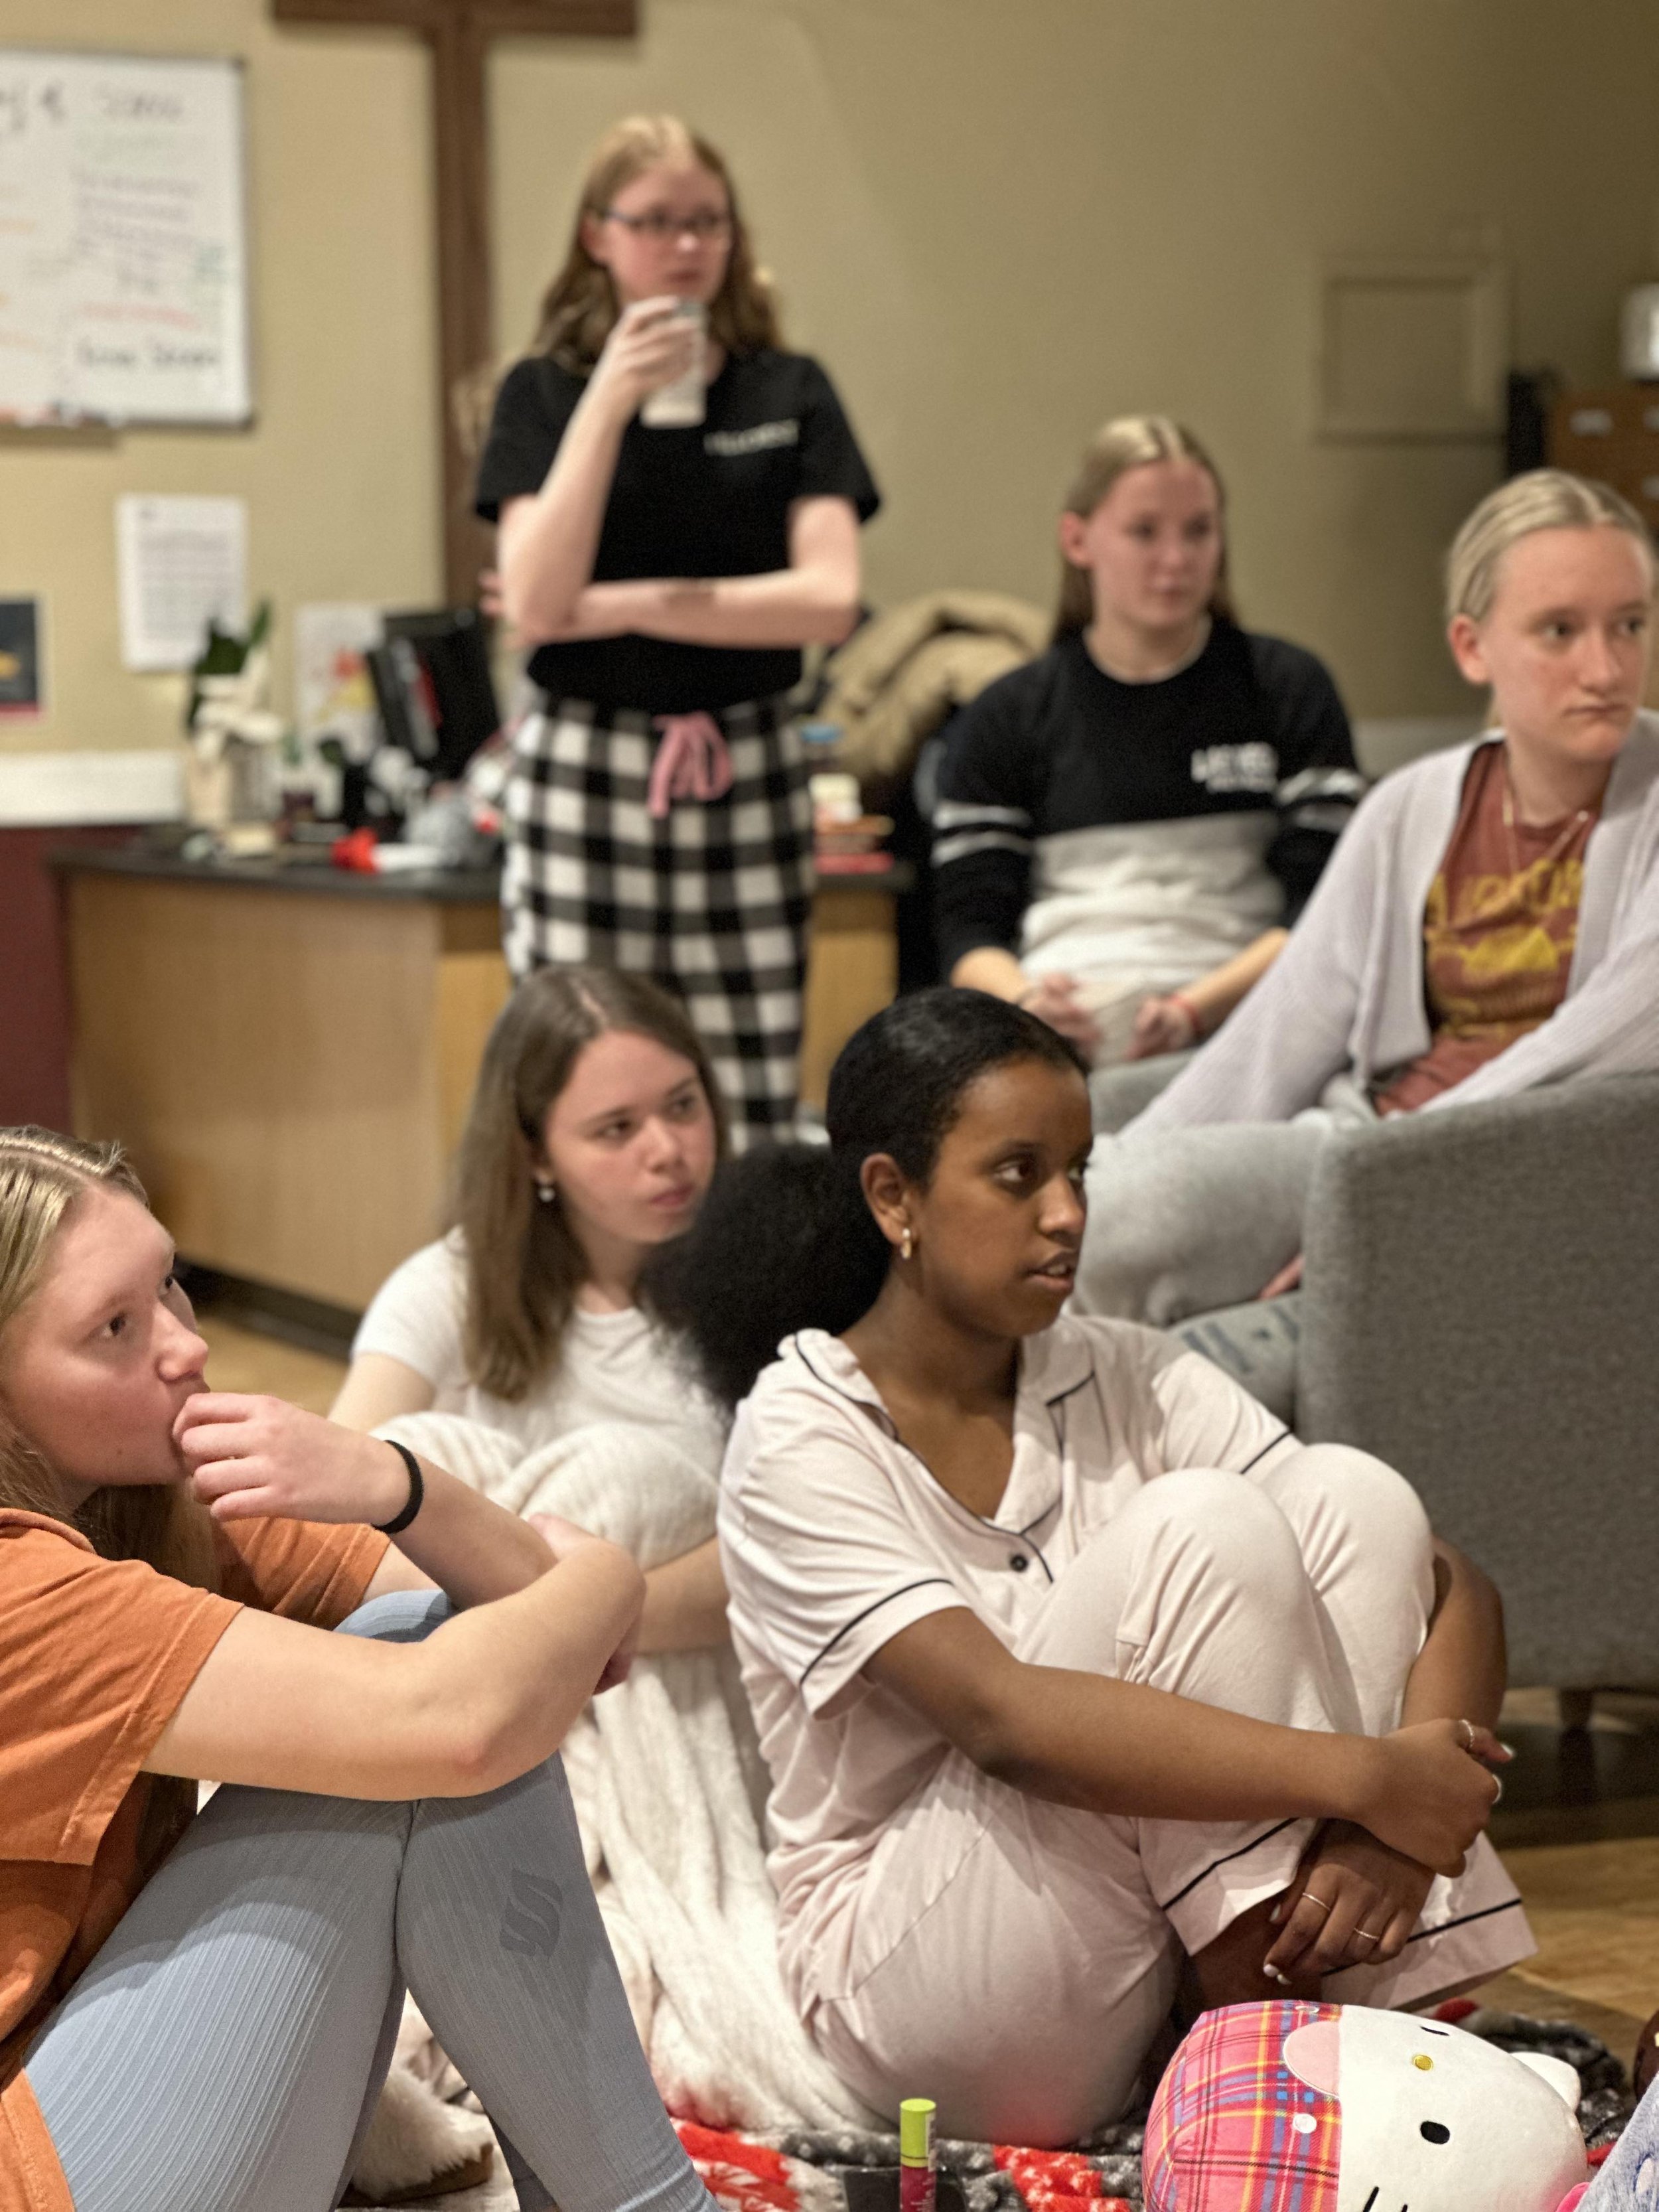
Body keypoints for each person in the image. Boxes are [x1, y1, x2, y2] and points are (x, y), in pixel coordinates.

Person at [646, 989, 1531, 2148]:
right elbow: (1003, 1720)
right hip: (921, 1983)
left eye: (1079, 1171)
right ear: (893, 1196)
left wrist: (1396, 1831)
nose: (1066, 1213)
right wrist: (1367, 1778)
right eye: (1019, 1175)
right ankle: (1284, 2077)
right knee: (1202, 1527)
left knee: (1353, 1495)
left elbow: (1449, 1578)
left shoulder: (1125, 1368)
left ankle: (1286, 2034)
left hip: (1137, 1958)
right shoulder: (802, 1427)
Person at [0, 1126, 719, 2212]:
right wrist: (611, 1573)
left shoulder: (150, 1499)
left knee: (434, 1639)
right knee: (424, 1686)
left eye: (171, 1286)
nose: (185, 1345)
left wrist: (394, 1478)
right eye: (115, 1327)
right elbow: (466, 1716)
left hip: (84, 2098)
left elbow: (521, 1616)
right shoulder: (21, 1590)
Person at [1072, 467, 1659, 1333]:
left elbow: (1604, 1045)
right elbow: (1281, 1033)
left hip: (1517, 1177)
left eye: (1630, 625)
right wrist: (1102, 1171)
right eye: (1559, 631)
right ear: (1473, 648)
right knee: (1087, 1212)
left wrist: (1389, 1187)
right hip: (1360, 1147)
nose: (1604, 668)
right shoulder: (1409, 808)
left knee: (1119, 1228)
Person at [476, 113, 881, 1145]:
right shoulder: (542, 392)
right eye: (656, 222)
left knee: (745, 1072)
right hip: (587, 758)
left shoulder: (788, 389)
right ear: (597, 235)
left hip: (744, 752)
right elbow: (536, 599)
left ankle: (737, 1253)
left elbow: (828, 598)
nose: (687, 245)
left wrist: (625, 604)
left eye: (709, 220)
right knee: (576, 1065)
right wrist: (610, 399)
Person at [933, 415, 1362, 1069]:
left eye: (1199, 531)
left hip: (1245, 1016)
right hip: (1062, 1027)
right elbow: (968, 930)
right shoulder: (1006, 715)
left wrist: (1193, 1010)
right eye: (1144, 532)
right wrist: (1027, 1004)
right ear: (1077, 540)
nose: (1176, 560)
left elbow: (1327, 909)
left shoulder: (1287, 688)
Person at [332, 964, 731, 1655]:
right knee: (409, 1448)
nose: (667, 1151)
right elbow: (336, 1502)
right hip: (503, 1662)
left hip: (681, 1665)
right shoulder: (450, 1285)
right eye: (616, 1129)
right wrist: (564, 1618)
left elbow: (780, 1550)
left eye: (682, 1106)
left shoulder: (769, 1278)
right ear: (537, 1155)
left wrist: (582, 1621)